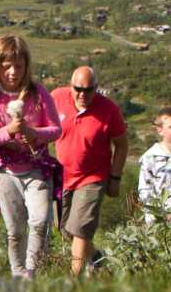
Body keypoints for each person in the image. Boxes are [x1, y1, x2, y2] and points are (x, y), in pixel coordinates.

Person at [0, 35, 63, 278]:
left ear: (27, 66)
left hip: (37, 169)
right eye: (6, 66)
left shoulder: (39, 94)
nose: (13, 72)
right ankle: (18, 272)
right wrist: (9, 132)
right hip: (5, 173)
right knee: (15, 230)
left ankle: (31, 273)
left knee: (40, 221)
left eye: (19, 66)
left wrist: (34, 134)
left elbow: (56, 129)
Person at [50, 65, 128, 275]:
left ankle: (75, 281)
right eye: (78, 89)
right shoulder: (56, 98)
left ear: (96, 88)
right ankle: (98, 259)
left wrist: (115, 178)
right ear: (70, 86)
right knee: (66, 230)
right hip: (63, 177)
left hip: (93, 177)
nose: (83, 94)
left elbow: (122, 144)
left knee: (81, 229)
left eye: (89, 90)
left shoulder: (109, 110)